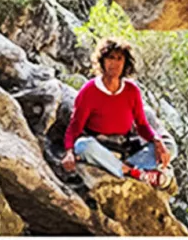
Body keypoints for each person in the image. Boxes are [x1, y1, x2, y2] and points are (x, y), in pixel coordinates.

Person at [61, 37, 174, 185]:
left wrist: (157, 140)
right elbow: (75, 126)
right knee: (82, 145)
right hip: (99, 145)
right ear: (102, 61)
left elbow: (141, 124)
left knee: (170, 147)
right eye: (110, 58)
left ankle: (121, 167)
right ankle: (133, 172)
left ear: (125, 63)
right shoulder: (89, 91)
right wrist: (69, 152)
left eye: (119, 59)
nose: (114, 63)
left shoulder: (131, 90)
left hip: (125, 148)